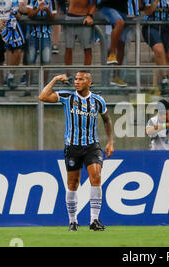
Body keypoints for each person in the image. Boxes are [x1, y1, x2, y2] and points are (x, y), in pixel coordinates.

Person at [38, 71, 115, 232]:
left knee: (96, 176)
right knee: (73, 183)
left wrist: (110, 141)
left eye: (81, 79)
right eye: (76, 79)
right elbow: (42, 97)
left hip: (92, 145)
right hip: (72, 146)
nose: (77, 82)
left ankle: (94, 220)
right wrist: (54, 79)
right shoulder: (68, 96)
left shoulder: (98, 100)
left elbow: (107, 119)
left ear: (89, 82)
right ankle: (73, 221)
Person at [0, 0, 25, 96]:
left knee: (17, 50)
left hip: (11, 26)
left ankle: (10, 76)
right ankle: (0, 86)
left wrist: (15, 15)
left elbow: (16, 12)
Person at [142, 0, 169, 96]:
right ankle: (165, 80)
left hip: (166, 26)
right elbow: (148, 12)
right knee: (159, 49)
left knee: (164, 55)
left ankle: (160, 86)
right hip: (151, 25)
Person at [94, 0, 132, 87]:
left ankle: (116, 76)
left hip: (123, 9)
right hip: (107, 7)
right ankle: (112, 54)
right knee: (119, 23)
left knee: (121, 44)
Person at [63, 0, 95, 80]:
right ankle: (68, 76)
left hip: (84, 18)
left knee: (87, 49)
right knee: (68, 48)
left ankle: (86, 76)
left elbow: (94, 3)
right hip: (70, 16)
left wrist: (90, 15)